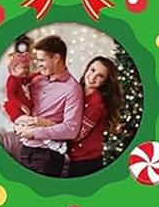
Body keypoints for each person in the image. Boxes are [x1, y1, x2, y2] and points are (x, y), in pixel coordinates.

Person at [15, 36, 84, 177]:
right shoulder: (36, 80)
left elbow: (71, 129)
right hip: (25, 149)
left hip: (47, 157)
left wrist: (34, 132)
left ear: (56, 58)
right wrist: (17, 124)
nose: (38, 64)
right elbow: (21, 106)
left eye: (42, 60)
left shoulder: (72, 89)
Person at [65, 55, 123, 178]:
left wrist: (50, 130)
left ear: (105, 82)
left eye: (100, 76)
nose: (93, 77)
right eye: (92, 70)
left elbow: (77, 134)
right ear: (87, 69)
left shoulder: (97, 104)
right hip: (73, 158)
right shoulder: (76, 91)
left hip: (86, 162)